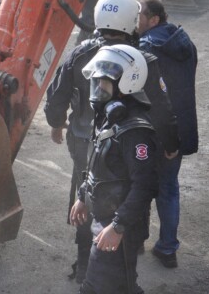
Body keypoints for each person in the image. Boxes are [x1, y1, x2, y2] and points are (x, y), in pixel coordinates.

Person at [45, 0, 179, 282]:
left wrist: (56, 123)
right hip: (125, 146)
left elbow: (56, 98)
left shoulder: (80, 53)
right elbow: (161, 107)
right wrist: (170, 143)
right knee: (129, 195)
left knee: (88, 195)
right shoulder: (142, 60)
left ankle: (85, 265)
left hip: (84, 143)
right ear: (132, 19)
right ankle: (123, 258)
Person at [71, 44, 160, 294]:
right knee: (121, 285)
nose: (98, 90)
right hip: (106, 219)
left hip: (119, 226)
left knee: (95, 287)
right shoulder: (110, 119)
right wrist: (83, 196)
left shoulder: (135, 131)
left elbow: (145, 186)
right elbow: (99, 166)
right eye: (96, 83)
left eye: (104, 84)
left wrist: (118, 226)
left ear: (126, 84)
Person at [136, 0, 198, 269]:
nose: (133, 19)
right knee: (169, 188)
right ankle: (168, 248)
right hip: (179, 129)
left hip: (152, 130)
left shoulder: (146, 47)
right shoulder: (185, 42)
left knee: (139, 184)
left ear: (153, 19)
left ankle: (136, 241)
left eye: (138, 14)